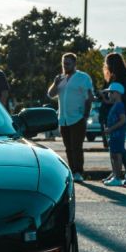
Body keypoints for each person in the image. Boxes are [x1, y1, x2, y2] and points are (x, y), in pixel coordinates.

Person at [47, 52, 94, 183]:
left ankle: (79, 172)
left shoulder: (83, 77)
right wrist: (55, 83)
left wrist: (85, 114)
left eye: (68, 63)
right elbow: (50, 94)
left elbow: (89, 97)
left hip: (77, 117)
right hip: (63, 118)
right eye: (64, 63)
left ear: (74, 63)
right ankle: (72, 171)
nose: (65, 65)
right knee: (68, 147)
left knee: (77, 146)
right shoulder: (60, 79)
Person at [101, 52, 126, 185]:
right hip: (111, 115)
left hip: (120, 115)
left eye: (108, 63)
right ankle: (116, 172)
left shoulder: (125, 78)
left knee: (119, 147)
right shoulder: (113, 78)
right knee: (113, 147)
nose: (106, 66)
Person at [102, 82, 126, 186]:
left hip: (117, 135)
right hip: (113, 135)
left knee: (117, 155)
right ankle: (115, 175)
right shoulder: (115, 104)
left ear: (118, 93)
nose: (109, 94)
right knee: (113, 155)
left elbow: (123, 120)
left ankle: (117, 177)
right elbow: (107, 101)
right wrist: (103, 94)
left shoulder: (119, 105)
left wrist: (111, 129)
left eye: (111, 92)